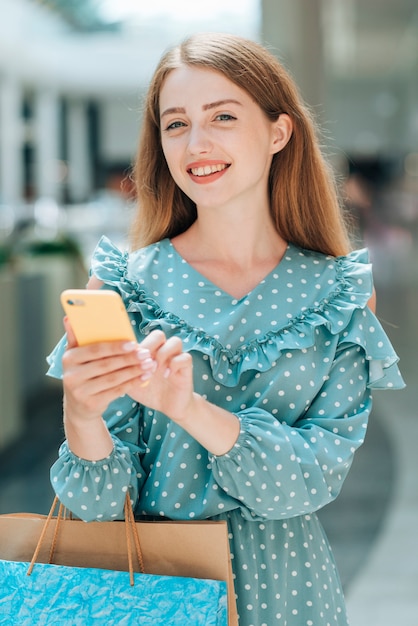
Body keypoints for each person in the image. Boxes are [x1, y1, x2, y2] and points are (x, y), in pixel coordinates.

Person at [47, 33, 405, 626]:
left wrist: (190, 409)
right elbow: (97, 506)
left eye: (223, 116)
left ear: (278, 133)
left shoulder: (339, 292)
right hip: (154, 593)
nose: (197, 143)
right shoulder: (121, 284)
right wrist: (82, 417)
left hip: (290, 594)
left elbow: (314, 479)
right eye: (176, 124)